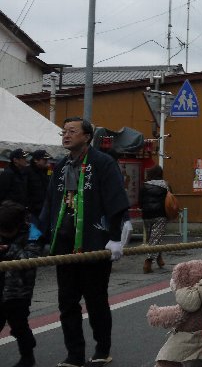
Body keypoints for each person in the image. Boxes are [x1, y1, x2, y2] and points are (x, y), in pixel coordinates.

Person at [39, 117, 129, 367]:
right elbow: (50, 203)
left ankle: (102, 349)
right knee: (67, 302)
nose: (66, 135)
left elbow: (115, 200)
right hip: (65, 244)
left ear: (87, 136)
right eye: (64, 132)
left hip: (94, 242)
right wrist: (41, 236)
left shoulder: (103, 163)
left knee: (95, 299)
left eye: (72, 131)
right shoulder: (60, 166)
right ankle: (74, 354)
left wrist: (114, 238)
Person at [0, 201, 42, 367]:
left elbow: (29, 260)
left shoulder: (33, 234)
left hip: (19, 291)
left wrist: (9, 249)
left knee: (18, 325)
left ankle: (27, 356)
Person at [139, 165, 169, 273]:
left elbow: (140, 201)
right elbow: (170, 199)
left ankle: (159, 258)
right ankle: (148, 262)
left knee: (152, 238)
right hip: (160, 214)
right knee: (155, 238)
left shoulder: (144, 186)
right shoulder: (165, 185)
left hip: (146, 215)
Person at [25, 150, 51, 224]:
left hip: (44, 208)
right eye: (44, 160)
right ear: (36, 160)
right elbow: (23, 190)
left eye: (47, 159)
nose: (47, 162)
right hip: (32, 210)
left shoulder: (44, 172)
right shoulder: (27, 172)